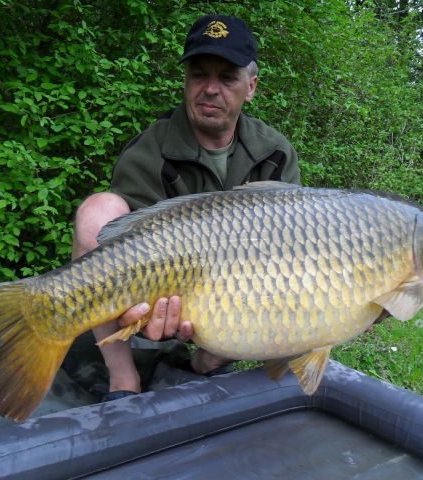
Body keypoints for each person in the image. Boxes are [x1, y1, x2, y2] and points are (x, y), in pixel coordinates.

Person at [72, 14, 301, 401]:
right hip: (160, 289)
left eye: (227, 78)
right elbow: (125, 244)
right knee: (96, 212)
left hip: (246, 292)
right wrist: (159, 299)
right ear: (185, 80)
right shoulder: (150, 149)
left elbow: (295, 246)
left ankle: (209, 361)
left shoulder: (275, 152)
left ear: (251, 87)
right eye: (199, 75)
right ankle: (123, 378)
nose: (210, 89)